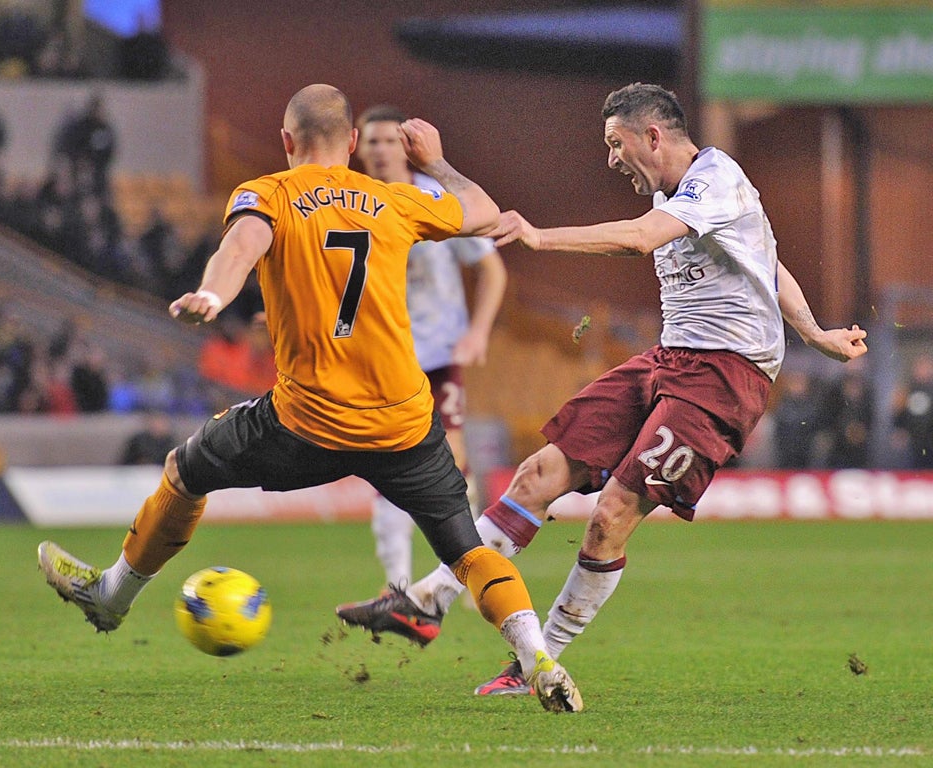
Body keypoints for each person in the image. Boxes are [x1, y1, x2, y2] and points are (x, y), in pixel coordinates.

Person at [37, 83, 582, 713]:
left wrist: (213, 295)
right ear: (352, 143)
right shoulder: (394, 201)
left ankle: (112, 596)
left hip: (305, 424)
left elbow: (240, 246)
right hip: (403, 424)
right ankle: (539, 657)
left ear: (286, 142)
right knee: (467, 552)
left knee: (185, 472)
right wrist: (437, 162)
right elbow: (484, 212)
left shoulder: (268, 193)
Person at [336, 82, 869, 696]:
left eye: (616, 144)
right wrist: (815, 332)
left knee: (609, 517)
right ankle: (427, 601)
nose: (611, 159)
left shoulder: (715, 178)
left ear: (652, 136)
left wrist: (539, 236)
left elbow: (640, 238)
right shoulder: (686, 195)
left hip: (726, 376)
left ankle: (537, 662)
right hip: (670, 359)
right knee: (537, 475)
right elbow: (766, 260)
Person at [354, 104, 508, 588]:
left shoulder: (434, 199)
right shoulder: (351, 202)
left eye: (389, 140)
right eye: (371, 141)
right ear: (356, 147)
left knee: (453, 464)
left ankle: (464, 570)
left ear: (406, 146)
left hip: (438, 351)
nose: (380, 150)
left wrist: (478, 331)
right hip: (380, 354)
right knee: (385, 461)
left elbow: (491, 268)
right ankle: (397, 581)